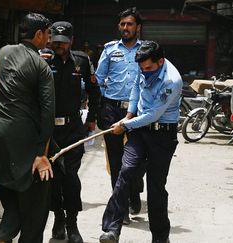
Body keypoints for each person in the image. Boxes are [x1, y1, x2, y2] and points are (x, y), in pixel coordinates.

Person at [0, 13, 55, 243]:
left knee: (13, 207)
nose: (49, 39)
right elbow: (47, 114)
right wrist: (41, 153)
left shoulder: (3, 53)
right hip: (23, 146)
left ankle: (3, 236)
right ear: (39, 34)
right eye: (48, 34)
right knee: (35, 213)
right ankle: (6, 236)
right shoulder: (42, 67)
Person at [99, 40, 182, 243]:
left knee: (156, 186)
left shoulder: (172, 80)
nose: (145, 71)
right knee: (125, 172)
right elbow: (136, 88)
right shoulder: (142, 66)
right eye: (142, 68)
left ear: (160, 61)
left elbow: (154, 115)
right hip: (139, 130)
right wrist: (128, 115)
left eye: (149, 68)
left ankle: (160, 237)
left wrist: (126, 125)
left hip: (162, 134)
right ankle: (112, 230)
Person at [44, 21, 100, 243]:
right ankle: (58, 218)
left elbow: (95, 91)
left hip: (73, 128)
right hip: (49, 129)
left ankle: (72, 221)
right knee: (53, 178)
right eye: (55, 42)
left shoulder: (82, 61)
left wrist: (93, 118)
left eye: (63, 42)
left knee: (71, 176)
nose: (59, 46)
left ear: (71, 41)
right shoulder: (44, 59)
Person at [95, 7, 144, 223]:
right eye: (122, 24)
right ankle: (121, 208)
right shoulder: (109, 49)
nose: (125, 28)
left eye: (129, 24)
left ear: (138, 27)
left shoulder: (147, 50)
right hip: (112, 109)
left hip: (139, 113)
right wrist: (107, 102)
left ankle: (134, 192)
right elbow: (99, 78)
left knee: (136, 160)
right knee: (116, 161)